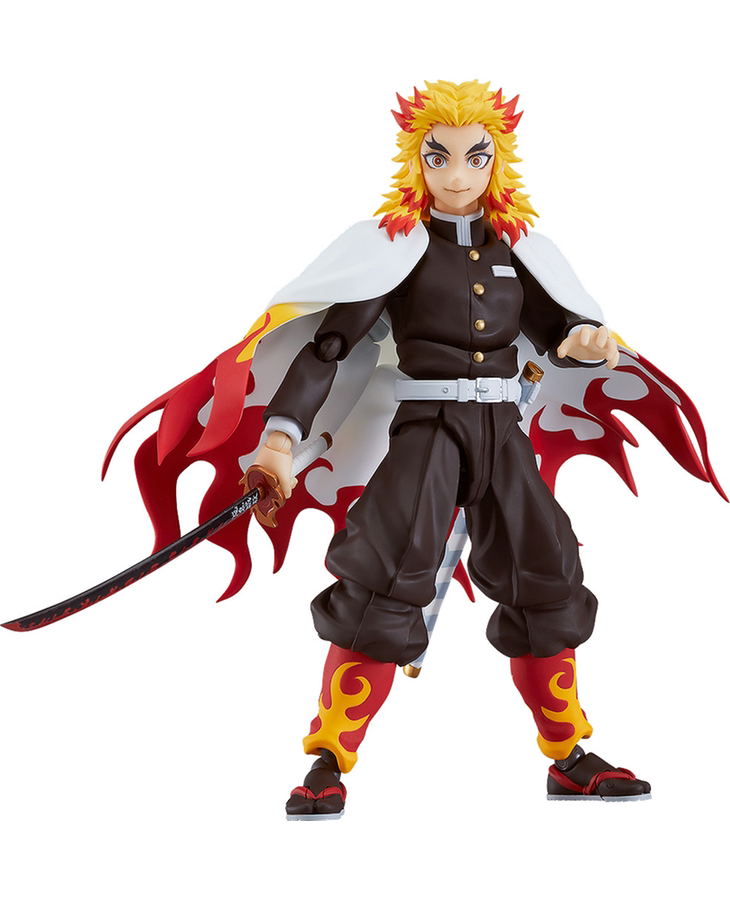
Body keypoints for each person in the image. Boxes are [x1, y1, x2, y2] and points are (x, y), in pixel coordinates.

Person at [105, 80, 723, 818]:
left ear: (498, 160)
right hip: (427, 430)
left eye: (475, 157)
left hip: (504, 433)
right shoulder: (395, 251)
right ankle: (329, 760)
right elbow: (329, 347)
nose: (457, 175)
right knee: (381, 578)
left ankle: (568, 754)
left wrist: (586, 340)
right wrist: (279, 439)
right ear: (416, 160)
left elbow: (560, 329)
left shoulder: (519, 250)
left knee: (545, 575)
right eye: (439, 157)